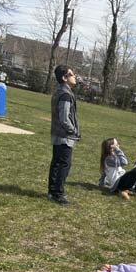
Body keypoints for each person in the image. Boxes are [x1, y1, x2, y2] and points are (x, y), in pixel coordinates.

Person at [48, 65, 80, 205]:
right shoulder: (65, 94)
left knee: (56, 163)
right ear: (64, 78)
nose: (75, 76)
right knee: (63, 165)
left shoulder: (59, 91)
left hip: (58, 134)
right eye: (72, 74)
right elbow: (64, 117)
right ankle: (58, 194)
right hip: (64, 136)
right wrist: (73, 130)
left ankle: (52, 191)